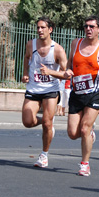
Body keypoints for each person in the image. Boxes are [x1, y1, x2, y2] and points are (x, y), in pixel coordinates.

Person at [64, 16, 99, 176]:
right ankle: (90, 134)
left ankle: (84, 164)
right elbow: (69, 63)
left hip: (95, 94)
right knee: (73, 134)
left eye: (92, 26)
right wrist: (68, 71)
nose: (88, 29)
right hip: (77, 92)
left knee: (84, 128)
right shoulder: (76, 43)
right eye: (86, 26)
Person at [21, 16, 68, 168]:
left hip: (51, 90)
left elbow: (65, 74)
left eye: (43, 27)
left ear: (50, 30)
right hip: (33, 89)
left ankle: (44, 155)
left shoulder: (58, 50)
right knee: (27, 122)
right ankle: (45, 121)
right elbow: (27, 58)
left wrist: (50, 72)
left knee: (47, 124)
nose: (39, 30)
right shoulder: (31, 44)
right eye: (38, 27)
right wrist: (25, 73)